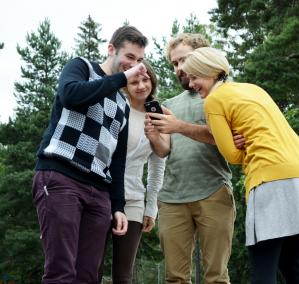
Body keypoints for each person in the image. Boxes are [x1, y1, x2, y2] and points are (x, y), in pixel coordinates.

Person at [182, 47, 299, 284]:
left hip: (272, 179)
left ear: (210, 72)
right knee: (293, 265)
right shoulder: (253, 89)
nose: (191, 84)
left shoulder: (214, 101)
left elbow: (231, 155)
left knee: (263, 268)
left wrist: (235, 144)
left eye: (194, 77)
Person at [32, 25, 150, 284]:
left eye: (139, 61)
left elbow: (117, 161)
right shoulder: (82, 67)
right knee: (61, 272)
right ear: (111, 49)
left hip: (99, 193)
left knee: (87, 276)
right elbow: (71, 95)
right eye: (129, 57)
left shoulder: (122, 105)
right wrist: (121, 78)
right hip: (61, 177)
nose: (135, 65)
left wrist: (118, 206)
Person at [145, 33, 236, 283]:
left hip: (213, 192)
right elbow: (163, 151)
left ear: (203, 56)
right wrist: (154, 135)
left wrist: (178, 125)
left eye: (183, 60)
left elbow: (227, 139)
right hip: (172, 198)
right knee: (174, 278)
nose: (179, 69)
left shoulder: (222, 95)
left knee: (216, 277)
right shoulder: (169, 103)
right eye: (174, 64)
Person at [111, 60, 169, 283]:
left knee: (123, 274)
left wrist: (151, 207)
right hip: (102, 194)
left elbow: (157, 166)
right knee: (91, 268)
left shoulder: (159, 116)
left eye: (146, 80)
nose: (141, 85)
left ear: (152, 81)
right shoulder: (116, 109)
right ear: (125, 85)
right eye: (134, 81)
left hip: (134, 199)